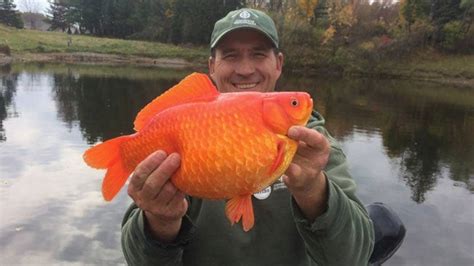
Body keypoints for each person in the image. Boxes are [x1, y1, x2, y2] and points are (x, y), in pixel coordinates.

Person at [121, 8, 375, 265]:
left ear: (278, 64)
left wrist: (313, 189)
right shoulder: (188, 127)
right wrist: (160, 221)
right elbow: (138, 261)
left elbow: (355, 258)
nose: (245, 69)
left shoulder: (314, 146)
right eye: (230, 55)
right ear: (212, 66)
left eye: (259, 54)